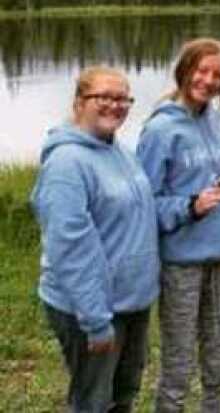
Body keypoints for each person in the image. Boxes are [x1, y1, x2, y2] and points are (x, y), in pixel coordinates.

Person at [31, 66, 160, 413]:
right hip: (92, 309)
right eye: (104, 96)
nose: (115, 105)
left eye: (123, 99)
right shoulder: (66, 164)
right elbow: (69, 248)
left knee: (124, 393)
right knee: (93, 401)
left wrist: (191, 208)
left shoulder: (121, 151)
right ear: (79, 102)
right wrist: (95, 321)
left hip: (130, 302)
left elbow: (141, 216)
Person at [136, 37, 220, 413]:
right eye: (202, 70)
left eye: (218, 75)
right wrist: (190, 207)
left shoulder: (217, 120)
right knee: (179, 362)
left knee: (217, 359)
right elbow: (145, 204)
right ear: (184, 70)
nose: (209, 80)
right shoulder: (160, 130)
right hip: (182, 263)